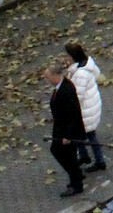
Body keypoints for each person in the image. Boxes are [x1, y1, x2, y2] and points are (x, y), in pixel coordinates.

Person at [45, 64, 88, 197]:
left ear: (55, 76)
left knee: (66, 156)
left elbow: (72, 114)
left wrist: (67, 135)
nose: (46, 80)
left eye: (48, 77)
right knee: (66, 155)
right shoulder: (61, 87)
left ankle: (76, 184)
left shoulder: (66, 89)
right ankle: (76, 177)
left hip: (67, 131)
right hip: (61, 128)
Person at [65, 41, 106, 172]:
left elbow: (77, 95)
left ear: (72, 57)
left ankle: (99, 161)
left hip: (85, 111)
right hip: (90, 107)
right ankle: (84, 156)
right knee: (79, 135)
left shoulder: (80, 74)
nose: (65, 58)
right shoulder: (86, 66)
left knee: (90, 136)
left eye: (67, 56)